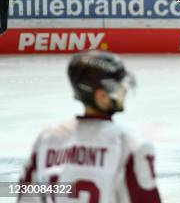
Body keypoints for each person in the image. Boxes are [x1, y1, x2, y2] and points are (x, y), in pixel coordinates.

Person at [17, 50, 162, 203]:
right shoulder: (131, 144)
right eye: (119, 86)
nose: (124, 90)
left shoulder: (48, 139)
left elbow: (26, 197)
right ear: (101, 95)